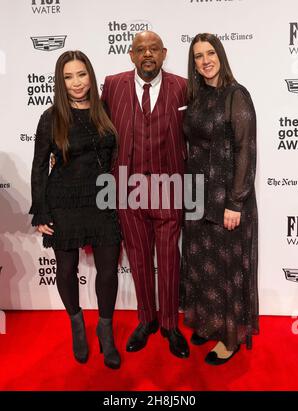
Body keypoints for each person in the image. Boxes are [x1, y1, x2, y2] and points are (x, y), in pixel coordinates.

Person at [29, 50, 122, 369]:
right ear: (60, 82)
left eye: (81, 74)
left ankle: (105, 329)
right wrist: (41, 211)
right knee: (66, 271)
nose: (76, 82)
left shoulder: (106, 112)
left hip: (102, 200)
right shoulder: (51, 117)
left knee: (109, 271)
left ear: (91, 76)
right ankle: (77, 324)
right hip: (64, 200)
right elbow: (40, 166)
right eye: (68, 77)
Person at [101, 31, 190, 358]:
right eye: (141, 49)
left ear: (164, 53)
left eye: (154, 49)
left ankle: (169, 324)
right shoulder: (112, 85)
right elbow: (98, 127)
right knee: (138, 257)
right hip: (127, 189)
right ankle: (146, 319)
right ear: (131, 54)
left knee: (168, 259)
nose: (148, 54)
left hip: (170, 188)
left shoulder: (182, 86)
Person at [180, 33, 259, 365]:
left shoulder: (235, 96)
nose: (205, 60)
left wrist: (236, 201)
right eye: (198, 56)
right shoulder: (196, 98)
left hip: (226, 197)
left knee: (226, 269)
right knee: (201, 265)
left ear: (221, 55)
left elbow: (245, 149)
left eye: (210, 53)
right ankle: (208, 323)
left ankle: (229, 337)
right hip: (196, 195)